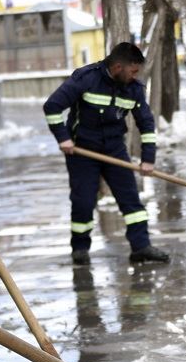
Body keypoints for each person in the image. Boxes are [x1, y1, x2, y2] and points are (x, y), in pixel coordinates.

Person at [43, 42, 171, 265]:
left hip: (114, 150)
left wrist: (148, 159)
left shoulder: (133, 89)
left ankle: (141, 247)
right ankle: (80, 249)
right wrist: (63, 138)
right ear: (118, 67)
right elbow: (52, 106)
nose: (135, 76)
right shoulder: (86, 78)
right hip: (82, 151)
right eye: (132, 71)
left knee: (131, 200)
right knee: (83, 202)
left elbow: (147, 124)